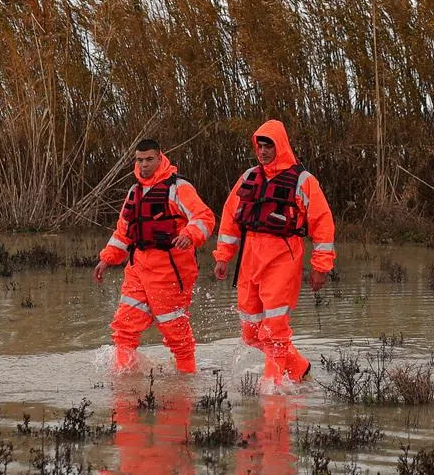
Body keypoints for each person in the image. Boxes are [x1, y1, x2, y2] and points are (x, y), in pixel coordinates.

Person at [212, 120, 335, 385]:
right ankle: (298, 368)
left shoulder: (303, 180)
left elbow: (322, 223)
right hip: (249, 258)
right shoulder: (248, 177)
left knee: (275, 330)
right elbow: (230, 218)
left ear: (281, 146)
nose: (263, 151)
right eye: (260, 146)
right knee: (251, 333)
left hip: (283, 257)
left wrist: (321, 267)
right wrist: (223, 256)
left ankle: (273, 390)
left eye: (269, 145)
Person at [93, 138, 215, 373]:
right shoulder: (134, 191)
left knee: (176, 335)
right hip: (138, 268)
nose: (144, 165)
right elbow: (123, 231)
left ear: (160, 158)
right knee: (124, 329)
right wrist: (107, 259)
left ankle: (186, 384)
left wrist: (189, 234)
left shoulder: (178, 188)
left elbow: (205, 217)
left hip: (170, 271)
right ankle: (122, 387)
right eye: (140, 160)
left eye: (149, 159)